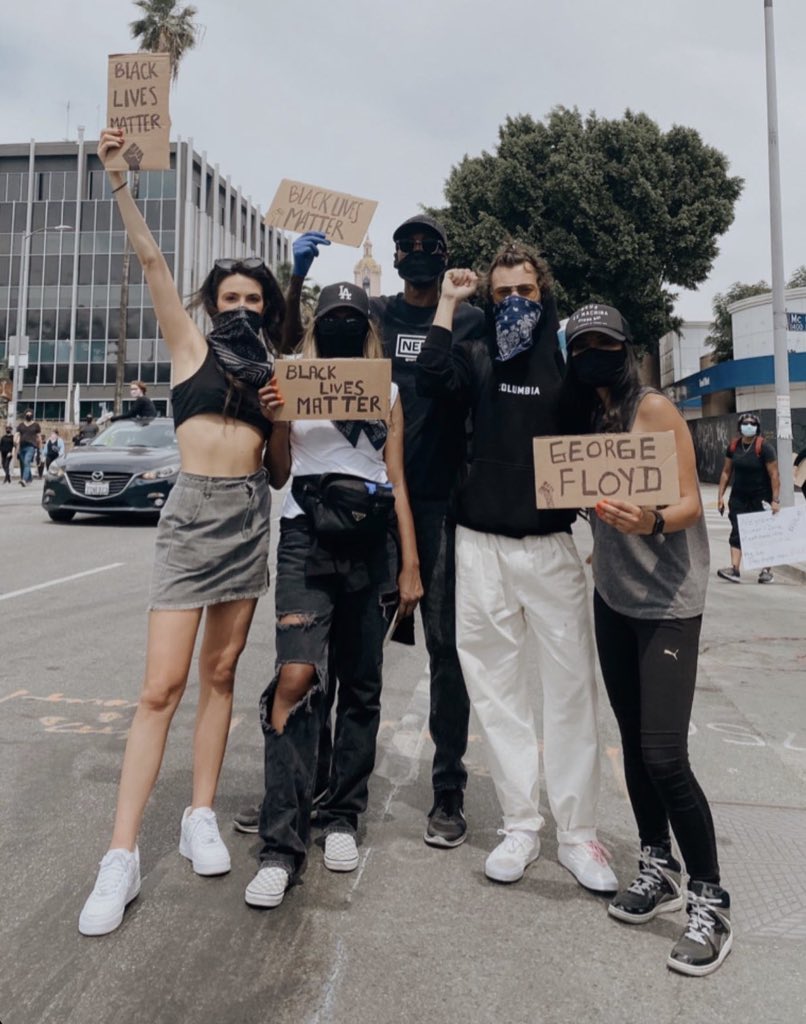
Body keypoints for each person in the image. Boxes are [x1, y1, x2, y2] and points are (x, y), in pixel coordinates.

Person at [78, 127, 285, 937]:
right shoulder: (187, 344)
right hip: (193, 512)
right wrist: (122, 181)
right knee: (160, 687)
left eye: (252, 301)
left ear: (267, 310)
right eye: (229, 298)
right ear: (211, 304)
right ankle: (120, 856)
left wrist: (278, 423)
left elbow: (276, 473)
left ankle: (199, 813)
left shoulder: (275, 371)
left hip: (247, 514)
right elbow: (154, 264)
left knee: (223, 673)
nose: (240, 309)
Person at [265, 217, 486, 851]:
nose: (417, 256)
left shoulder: (467, 319)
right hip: (335, 512)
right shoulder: (376, 313)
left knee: (438, 654)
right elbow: (292, 342)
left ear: (445, 258)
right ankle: (308, 789)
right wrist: (298, 273)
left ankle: (446, 788)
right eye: (406, 248)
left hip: (430, 502)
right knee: (315, 665)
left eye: (429, 248)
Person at [415, 244, 617, 893]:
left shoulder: (567, 360)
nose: (513, 303)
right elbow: (428, 378)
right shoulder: (475, 356)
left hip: (553, 547)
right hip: (479, 546)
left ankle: (579, 836)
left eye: (524, 291)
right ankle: (520, 825)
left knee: (568, 694)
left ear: (544, 290)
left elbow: (609, 420)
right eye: (501, 293)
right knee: (497, 695)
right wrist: (449, 301)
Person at [560, 302, 732, 977]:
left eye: (605, 343)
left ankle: (711, 899)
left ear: (626, 348)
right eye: (582, 346)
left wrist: (650, 521)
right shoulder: (590, 417)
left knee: (664, 755)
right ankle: (655, 863)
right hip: (614, 599)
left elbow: (690, 502)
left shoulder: (653, 408)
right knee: (630, 742)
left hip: (668, 602)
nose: (594, 354)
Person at [244, 282, 422, 909]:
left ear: (366, 326)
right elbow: (279, 473)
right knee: (295, 676)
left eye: (354, 318)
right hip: (304, 541)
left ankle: (342, 815)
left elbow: (395, 479)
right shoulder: (291, 377)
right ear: (319, 324)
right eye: (333, 317)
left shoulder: (389, 391)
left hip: (372, 544)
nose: (344, 325)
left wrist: (410, 566)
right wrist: (277, 421)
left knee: (361, 686)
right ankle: (279, 844)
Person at [716, 413, 780, 584]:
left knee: (763, 532)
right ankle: (734, 569)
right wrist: (720, 496)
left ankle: (766, 570)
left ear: (757, 427)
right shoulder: (733, 447)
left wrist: (775, 500)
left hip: (761, 497)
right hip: (739, 496)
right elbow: (726, 472)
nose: (749, 426)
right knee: (737, 530)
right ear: (740, 426)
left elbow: (774, 474)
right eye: (745, 423)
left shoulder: (764, 448)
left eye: (752, 424)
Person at [15, 408, 41, 486]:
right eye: (27, 414)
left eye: (30, 414)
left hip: (31, 446)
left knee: (27, 462)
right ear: (25, 415)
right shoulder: (21, 425)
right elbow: (17, 434)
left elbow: (39, 437)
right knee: (24, 463)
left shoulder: (36, 425)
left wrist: (39, 449)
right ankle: (29, 478)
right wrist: (15, 443)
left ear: (32, 415)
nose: (29, 415)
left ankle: (24, 480)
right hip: (22, 447)